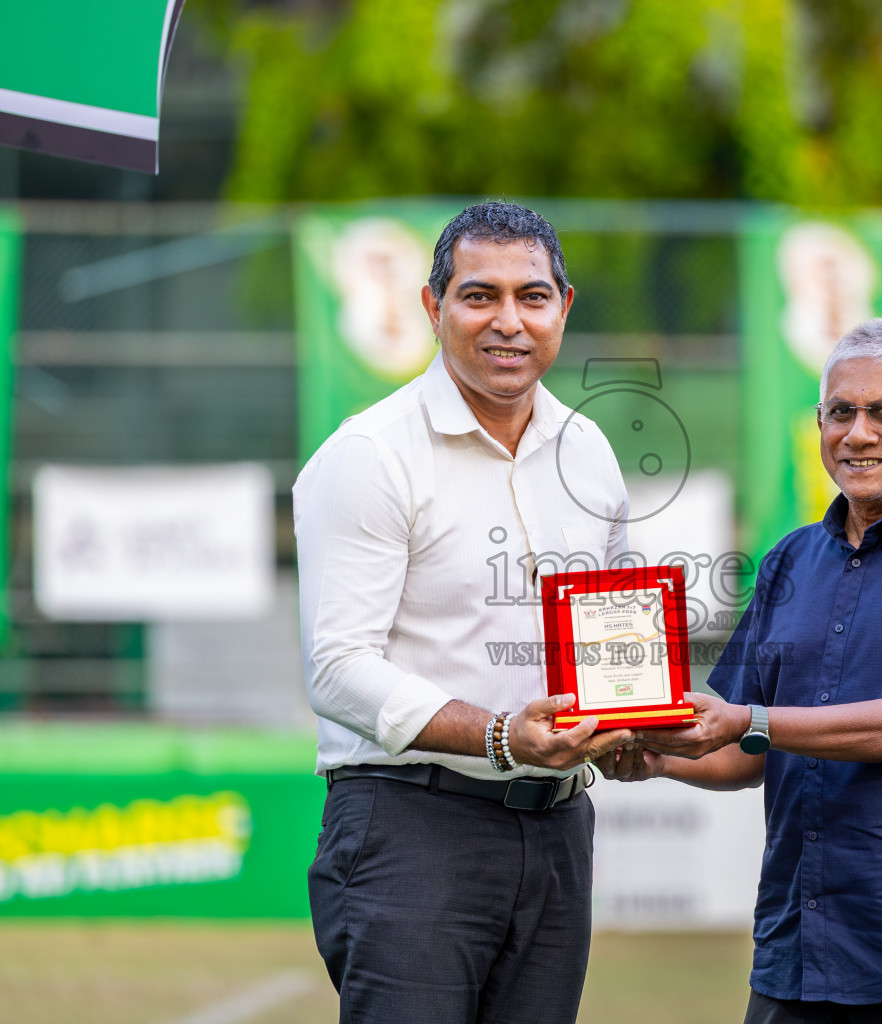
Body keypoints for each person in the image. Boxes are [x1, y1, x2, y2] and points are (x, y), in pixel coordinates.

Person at [603, 318, 882, 1023]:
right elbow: (744, 749)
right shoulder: (788, 561)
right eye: (840, 412)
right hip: (797, 949)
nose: (857, 433)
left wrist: (747, 721)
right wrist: (653, 755)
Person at [295, 201, 632, 1024]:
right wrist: (499, 735)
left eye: (532, 296)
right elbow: (337, 669)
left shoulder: (588, 451)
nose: (508, 321)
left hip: (558, 828)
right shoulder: (372, 455)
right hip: (412, 825)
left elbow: (610, 632)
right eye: (480, 295)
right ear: (432, 306)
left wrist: (635, 717)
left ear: (563, 307)